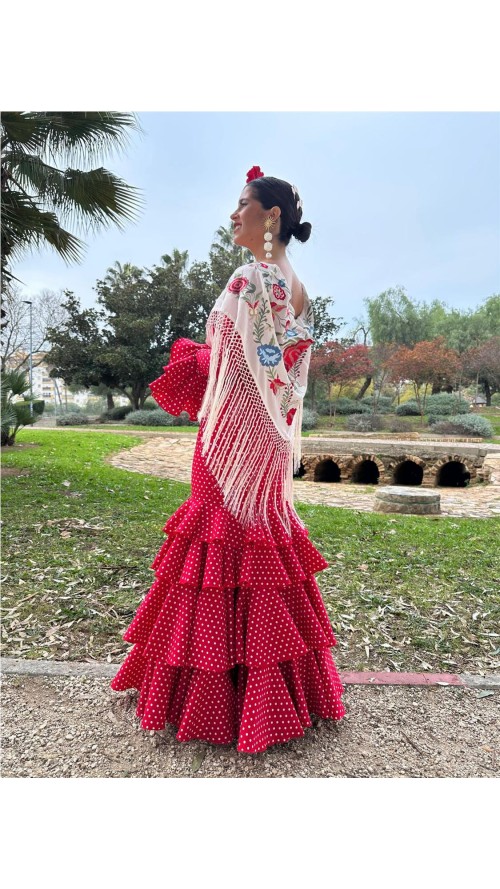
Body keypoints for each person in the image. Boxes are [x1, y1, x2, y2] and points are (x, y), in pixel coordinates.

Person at [110, 166, 345, 753]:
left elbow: (229, 360)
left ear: (271, 217)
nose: (233, 214)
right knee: (259, 549)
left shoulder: (249, 277)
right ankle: (269, 697)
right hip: (264, 442)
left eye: (242, 204)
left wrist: (193, 363)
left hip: (230, 442)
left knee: (216, 553)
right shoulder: (298, 286)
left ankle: (214, 697)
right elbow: (282, 371)